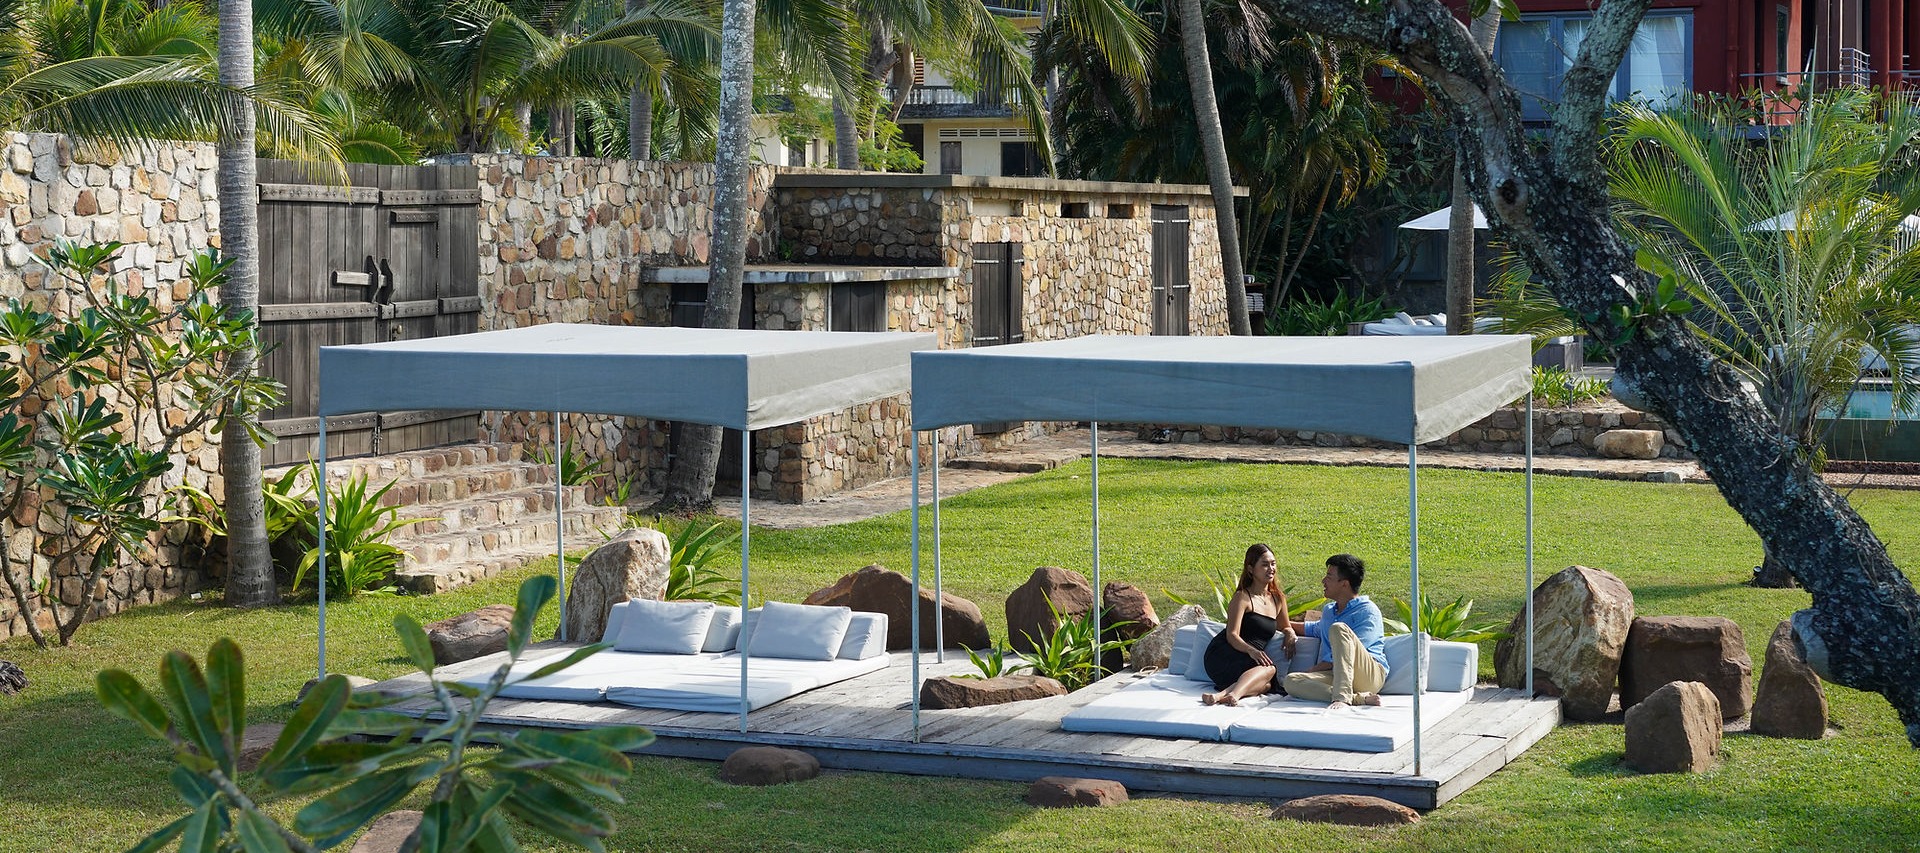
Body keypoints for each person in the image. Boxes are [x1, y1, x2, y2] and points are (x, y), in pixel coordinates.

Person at [1284, 553, 1389, 708]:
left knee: (1338, 629)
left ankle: (1342, 698)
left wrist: (1317, 668)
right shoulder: (1329, 611)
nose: (1323, 581)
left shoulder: (1368, 611)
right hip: (1337, 676)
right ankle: (1356, 698)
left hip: (1368, 676)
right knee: (1291, 681)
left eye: (1329, 576)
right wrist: (1282, 625)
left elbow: (1348, 651)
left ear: (1344, 584)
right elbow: (1313, 629)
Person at [1200, 544, 1296, 706]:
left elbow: (1284, 625)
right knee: (1270, 670)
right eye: (1265, 565)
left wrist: (1290, 633)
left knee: (1267, 686)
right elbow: (1232, 635)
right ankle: (1234, 695)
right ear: (1251, 569)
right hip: (1226, 653)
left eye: (1273, 564)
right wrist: (1252, 651)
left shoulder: (1278, 598)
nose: (1271, 569)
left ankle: (1220, 696)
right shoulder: (1242, 597)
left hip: (1251, 662)